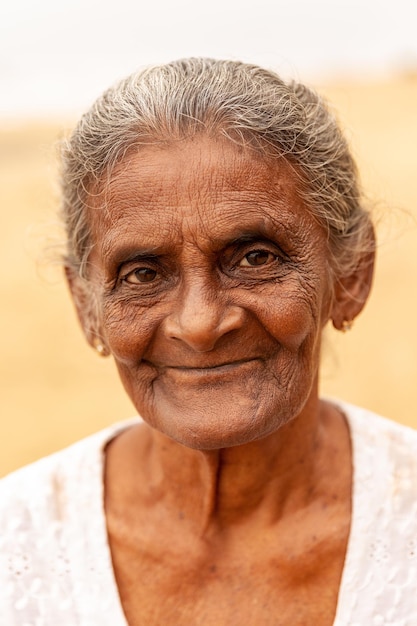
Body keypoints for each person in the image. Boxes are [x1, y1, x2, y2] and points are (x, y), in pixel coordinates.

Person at [1, 57, 416, 626]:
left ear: (351, 274)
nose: (199, 323)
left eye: (255, 258)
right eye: (143, 274)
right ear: (86, 306)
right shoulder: (16, 548)